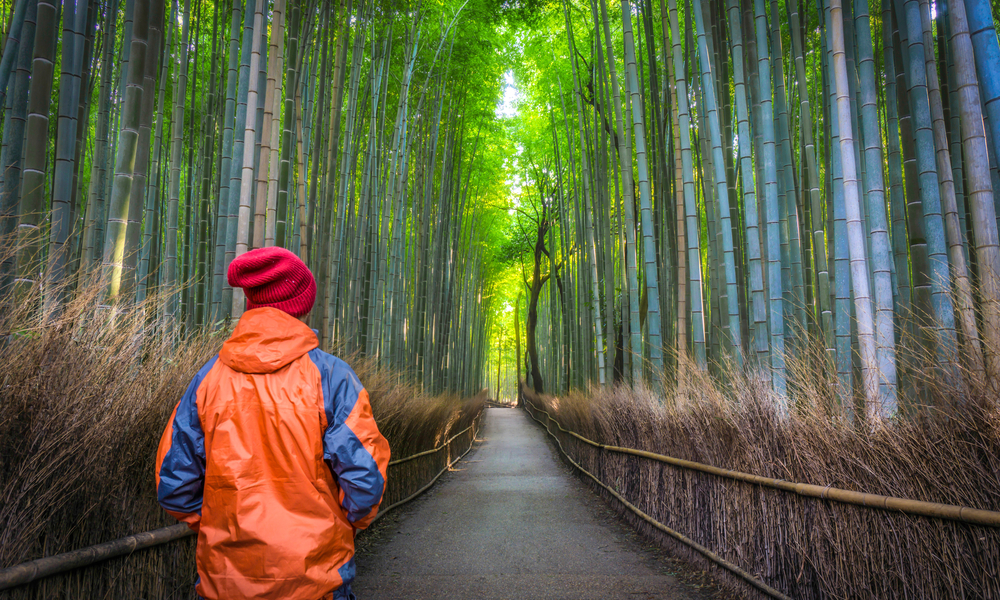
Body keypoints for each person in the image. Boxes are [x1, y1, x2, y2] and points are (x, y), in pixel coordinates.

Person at [155, 247, 390, 600]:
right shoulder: (332, 377)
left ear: (252, 303)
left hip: (225, 581)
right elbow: (365, 481)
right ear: (302, 304)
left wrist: (221, 525)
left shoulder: (207, 380)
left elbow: (173, 483)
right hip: (314, 579)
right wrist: (338, 524)